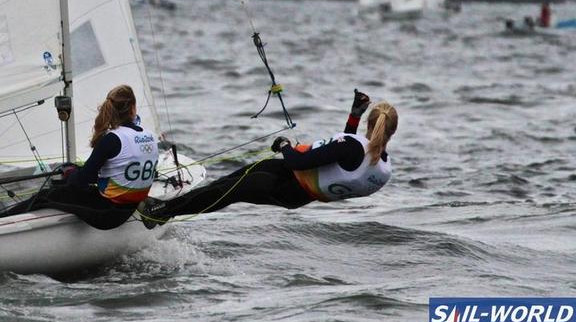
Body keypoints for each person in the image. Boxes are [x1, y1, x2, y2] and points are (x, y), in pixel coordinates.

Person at [140, 90, 395, 226]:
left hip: (286, 182)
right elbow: (345, 158)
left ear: (371, 125)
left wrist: (285, 145)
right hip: (297, 193)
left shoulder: (352, 148)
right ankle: (167, 209)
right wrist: (354, 116)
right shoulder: (382, 169)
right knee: (224, 185)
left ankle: (162, 212)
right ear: (390, 131)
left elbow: (299, 161)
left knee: (226, 190)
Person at [0, 84, 159, 230]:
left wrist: (70, 173)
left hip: (107, 215)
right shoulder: (150, 136)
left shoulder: (112, 139)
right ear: (133, 109)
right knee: (73, 186)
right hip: (130, 209)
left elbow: (83, 180)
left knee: (46, 195)